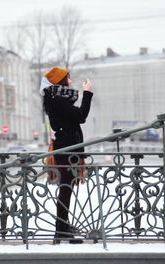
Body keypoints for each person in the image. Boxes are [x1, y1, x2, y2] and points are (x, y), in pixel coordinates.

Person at [40, 66, 93, 244]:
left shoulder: (57, 98)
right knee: (65, 188)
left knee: (67, 188)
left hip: (67, 149)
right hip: (66, 150)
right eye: (68, 78)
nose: (70, 82)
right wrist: (87, 93)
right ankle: (61, 228)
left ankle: (62, 227)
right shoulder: (57, 100)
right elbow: (81, 115)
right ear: (61, 81)